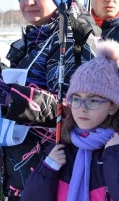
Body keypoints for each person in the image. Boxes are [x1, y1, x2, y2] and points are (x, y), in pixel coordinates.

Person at [0, 0, 99, 199]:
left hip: (57, 170)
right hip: (22, 173)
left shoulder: (70, 40)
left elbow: (72, 111)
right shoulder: (30, 43)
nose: (28, 2)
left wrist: (7, 94)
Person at [21, 39, 119, 200]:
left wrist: (114, 156)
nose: (82, 107)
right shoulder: (61, 146)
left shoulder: (113, 150)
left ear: (113, 107)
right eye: (76, 98)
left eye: (93, 100)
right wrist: (48, 168)